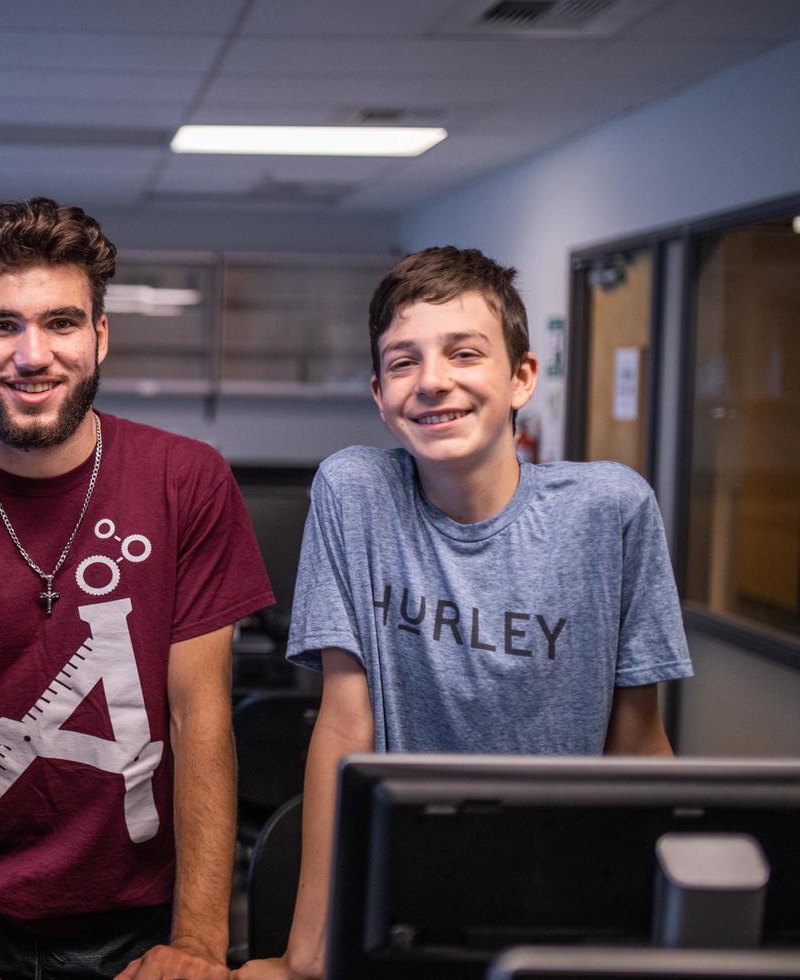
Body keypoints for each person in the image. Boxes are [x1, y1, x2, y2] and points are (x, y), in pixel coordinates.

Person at [0, 198, 274, 980]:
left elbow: (199, 714)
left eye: (62, 323)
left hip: (143, 915)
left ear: (100, 337)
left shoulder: (187, 480)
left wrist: (200, 941)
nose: (32, 355)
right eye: (3, 325)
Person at [235, 246, 694, 980]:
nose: (434, 382)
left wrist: (671, 943)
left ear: (521, 377)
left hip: (567, 900)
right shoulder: (355, 492)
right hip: (400, 896)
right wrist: (303, 959)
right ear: (380, 395)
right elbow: (346, 726)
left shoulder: (611, 510)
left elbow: (639, 746)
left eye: (464, 352)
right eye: (404, 361)